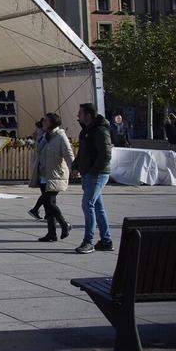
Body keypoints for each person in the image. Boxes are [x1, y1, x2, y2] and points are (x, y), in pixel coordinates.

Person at [72, 103, 113, 254]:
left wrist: (94, 171)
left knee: (87, 205)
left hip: (97, 174)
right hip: (89, 172)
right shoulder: (86, 131)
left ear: (88, 115)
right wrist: (76, 165)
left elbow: (106, 154)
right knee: (97, 207)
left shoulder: (100, 130)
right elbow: (83, 152)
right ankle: (106, 240)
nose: (78, 116)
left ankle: (88, 241)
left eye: (80, 113)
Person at [33, 112, 73, 242]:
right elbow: (38, 151)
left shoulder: (61, 137)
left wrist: (75, 168)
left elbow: (68, 154)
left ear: (51, 123)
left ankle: (64, 224)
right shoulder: (44, 136)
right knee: (47, 205)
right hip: (44, 174)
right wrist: (40, 137)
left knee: (49, 202)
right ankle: (51, 233)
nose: (43, 123)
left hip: (55, 174)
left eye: (45, 121)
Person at [26, 118, 48, 220]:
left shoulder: (39, 135)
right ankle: (37, 210)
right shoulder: (43, 136)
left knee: (47, 193)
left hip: (40, 166)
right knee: (48, 194)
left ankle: (41, 211)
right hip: (43, 167)